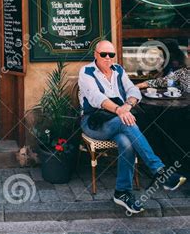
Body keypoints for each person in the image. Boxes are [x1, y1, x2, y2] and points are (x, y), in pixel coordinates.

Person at [79, 40, 186, 215]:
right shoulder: (87, 72)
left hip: (119, 120)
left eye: (111, 55)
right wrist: (119, 110)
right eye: (103, 54)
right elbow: (95, 97)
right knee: (126, 121)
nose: (108, 58)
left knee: (127, 142)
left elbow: (133, 90)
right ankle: (159, 171)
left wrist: (127, 105)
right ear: (95, 55)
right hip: (94, 122)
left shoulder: (118, 70)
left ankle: (122, 192)